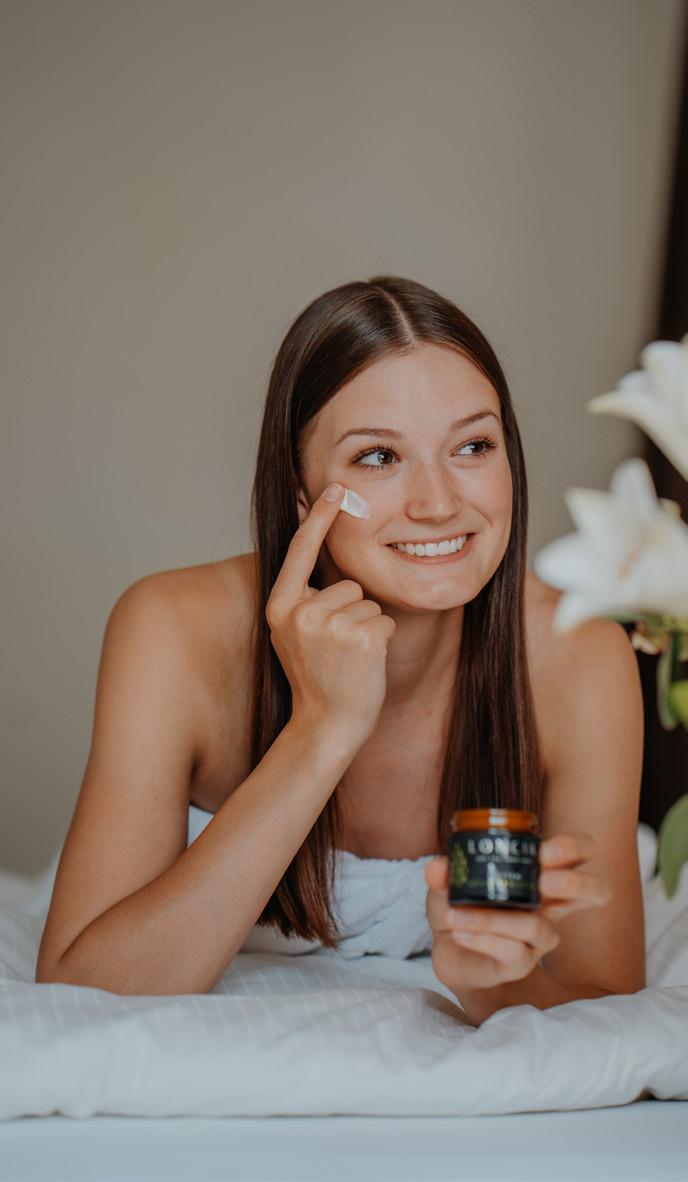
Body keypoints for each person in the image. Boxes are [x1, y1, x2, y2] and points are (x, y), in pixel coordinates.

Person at [35, 275, 645, 1024]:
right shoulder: (171, 629)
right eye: (378, 457)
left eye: (473, 446)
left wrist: (490, 982)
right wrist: (321, 730)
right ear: (301, 493)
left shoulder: (580, 654)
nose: (438, 504)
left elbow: (609, 1011)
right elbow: (79, 993)